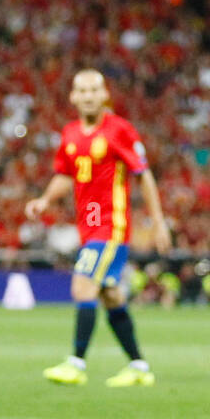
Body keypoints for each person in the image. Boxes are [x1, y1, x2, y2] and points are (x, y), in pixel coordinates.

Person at [25, 69, 171, 386]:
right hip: (89, 227)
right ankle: (139, 367)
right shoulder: (70, 133)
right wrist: (45, 200)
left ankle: (76, 364)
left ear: (104, 94)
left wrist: (158, 222)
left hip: (111, 226)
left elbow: (143, 174)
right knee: (110, 294)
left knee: (83, 285)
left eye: (95, 90)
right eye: (82, 90)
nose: (89, 96)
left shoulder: (120, 130)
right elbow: (66, 174)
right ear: (73, 97)